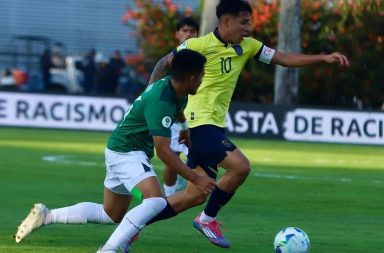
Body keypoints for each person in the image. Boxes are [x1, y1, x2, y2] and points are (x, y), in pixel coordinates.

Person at [146, 0, 350, 249]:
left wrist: (323, 57)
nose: (248, 27)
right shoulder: (199, 45)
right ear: (226, 21)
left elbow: (284, 59)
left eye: (249, 22)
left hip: (213, 126)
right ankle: (207, 220)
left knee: (193, 195)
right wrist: (148, 99)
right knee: (241, 167)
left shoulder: (249, 46)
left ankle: (134, 224)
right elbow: (163, 64)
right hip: (199, 124)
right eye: (243, 22)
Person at [14, 49, 215, 253]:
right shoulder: (161, 101)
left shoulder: (176, 89)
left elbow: (178, 109)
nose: (202, 81)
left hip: (120, 149)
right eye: (201, 76)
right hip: (127, 152)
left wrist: (183, 129)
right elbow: (163, 151)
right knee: (154, 201)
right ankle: (108, 250)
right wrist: (195, 179)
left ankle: (47, 216)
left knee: (111, 214)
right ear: (191, 78)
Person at [163, 16, 200, 197]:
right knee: (172, 156)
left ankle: (193, 190)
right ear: (178, 34)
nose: (188, 34)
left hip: (198, 113)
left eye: (192, 31)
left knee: (197, 154)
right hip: (177, 112)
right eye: (184, 31)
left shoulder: (202, 55)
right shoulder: (173, 57)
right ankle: (169, 195)